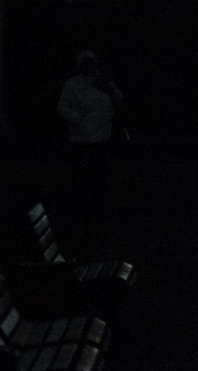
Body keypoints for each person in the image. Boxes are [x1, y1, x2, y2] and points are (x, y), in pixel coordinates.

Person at [58, 50, 123, 248]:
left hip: (103, 141)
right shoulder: (73, 85)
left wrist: (110, 89)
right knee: (82, 184)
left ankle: (100, 221)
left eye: (92, 62)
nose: (90, 66)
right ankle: (82, 223)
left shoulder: (104, 82)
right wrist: (78, 120)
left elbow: (119, 99)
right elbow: (62, 107)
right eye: (86, 63)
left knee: (101, 184)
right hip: (83, 143)